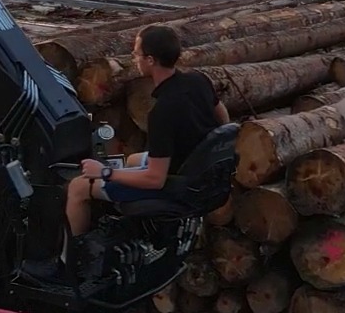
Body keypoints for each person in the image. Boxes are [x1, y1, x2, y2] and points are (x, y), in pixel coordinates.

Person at [65, 23, 229, 238]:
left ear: (150, 60)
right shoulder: (198, 80)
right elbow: (224, 119)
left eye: (137, 54)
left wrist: (104, 172)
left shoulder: (162, 112)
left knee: (78, 187)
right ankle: (137, 232)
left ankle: (72, 262)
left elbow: (155, 179)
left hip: (179, 186)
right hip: (199, 171)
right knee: (132, 160)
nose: (134, 58)